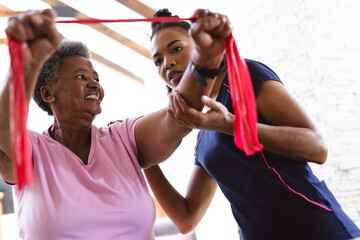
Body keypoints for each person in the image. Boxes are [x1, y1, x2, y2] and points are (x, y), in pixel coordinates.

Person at [0, 9, 231, 239]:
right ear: (49, 93)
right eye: (81, 77)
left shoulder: (123, 137)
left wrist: (203, 61)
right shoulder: (33, 151)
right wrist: (24, 64)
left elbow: (177, 119)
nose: (94, 85)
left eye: (96, 79)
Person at [144, 8, 360, 240]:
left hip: (318, 230)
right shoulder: (202, 132)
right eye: (158, 61)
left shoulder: (246, 76)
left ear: (200, 45)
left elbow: (318, 148)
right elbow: (186, 218)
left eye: (176, 48)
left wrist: (232, 125)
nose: (168, 63)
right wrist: (142, 157)